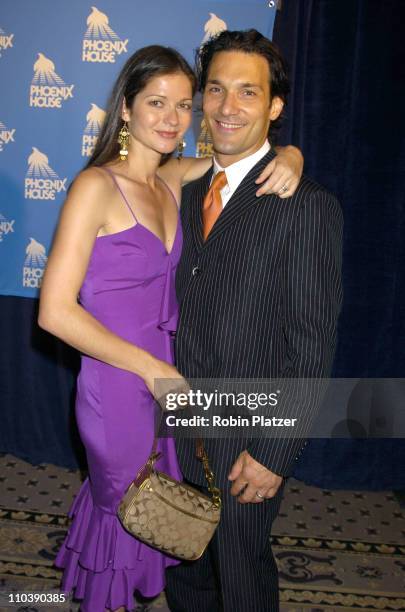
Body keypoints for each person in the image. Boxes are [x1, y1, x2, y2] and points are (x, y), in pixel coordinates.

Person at [38, 44, 303, 612]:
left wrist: (294, 154)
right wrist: (153, 370)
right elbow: (54, 311)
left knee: (156, 519)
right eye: (156, 102)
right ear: (126, 109)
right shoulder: (95, 188)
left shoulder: (171, 179)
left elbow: (248, 157)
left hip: (168, 389)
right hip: (120, 389)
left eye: (184, 105)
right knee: (124, 523)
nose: (172, 118)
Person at [165, 29, 344, 612]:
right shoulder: (183, 188)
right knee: (184, 560)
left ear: (275, 107)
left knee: (240, 572)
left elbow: (312, 345)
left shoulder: (305, 205)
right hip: (175, 424)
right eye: (215, 90)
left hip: (249, 432)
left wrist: (275, 449)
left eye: (248, 93)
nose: (227, 107)